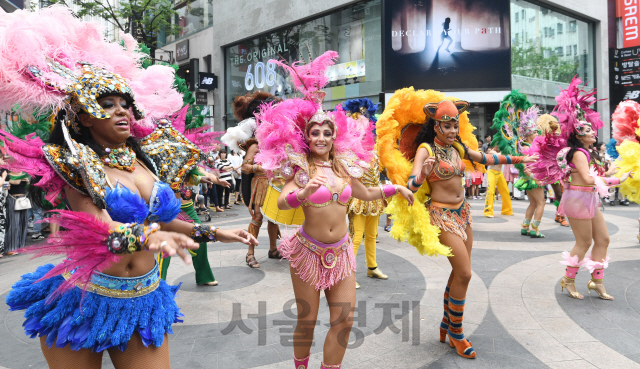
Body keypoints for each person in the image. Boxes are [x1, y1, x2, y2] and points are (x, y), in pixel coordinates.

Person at [0, 8, 257, 367]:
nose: (122, 111)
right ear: (84, 117)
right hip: (84, 297)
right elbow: (103, 230)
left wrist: (213, 232)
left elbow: (163, 222)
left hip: (144, 297)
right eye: (108, 105)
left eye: (125, 104)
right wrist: (149, 237)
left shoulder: (146, 160)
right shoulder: (78, 162)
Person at [255, 50, 414, 369]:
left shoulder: (345, 168)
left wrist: (395, 188)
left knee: (343, 322)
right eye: (315, 132)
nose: (322, 137)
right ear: (307, 136)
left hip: (341, 253)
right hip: (307, 252)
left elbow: (367, 192)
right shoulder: (299, 167)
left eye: (327, 132)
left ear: (334, 135)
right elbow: (285, 199)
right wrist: (303, 193)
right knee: (307, 321)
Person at [377, 89, 535, 359]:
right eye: (447, 125)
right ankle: (457, 332)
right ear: (435, 125)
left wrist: (520, 159)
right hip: (441, 215)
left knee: (458, 273)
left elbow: (486, 159)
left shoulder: (457, 147)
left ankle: (445, 325)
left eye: (454, 125)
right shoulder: (426, 149)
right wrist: (423, 173)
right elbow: (410, 186)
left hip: (463, 213)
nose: (452, 130)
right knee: (464, 274)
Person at [526, 77, 631, 301]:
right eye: (588, 130)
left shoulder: (588, 153)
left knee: (603, 240)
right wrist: (618, 180)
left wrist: (622, 169)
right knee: (584, 242)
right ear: (578, 135)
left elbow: (599, 175)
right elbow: (587, 178)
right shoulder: (579, 153)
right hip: (578, 199)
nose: (594, 132)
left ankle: (597, 281)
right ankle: (569, 280)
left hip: (589, 199)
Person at [222, 91, 282, 268]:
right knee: (257, 217)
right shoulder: (255, 145)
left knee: (273, 218)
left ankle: (273, 249)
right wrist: (261, 168)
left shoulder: (278, 146)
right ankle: (250, 253)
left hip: (274, 184)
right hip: (260, 184)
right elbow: (245, 167)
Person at [341, 98, 388, 289]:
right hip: (359, 199)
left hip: (375, 199)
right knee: (356, 236)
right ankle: (348, 274)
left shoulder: (375, 151)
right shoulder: (350, 152)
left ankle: (372, 267)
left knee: (372, 235)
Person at [515, 107, 546, 237]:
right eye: (535, 132)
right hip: (532, 178)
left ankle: (525, 226)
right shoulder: (526, 147)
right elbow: (522, 165)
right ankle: (534, 229)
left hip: (531, 178)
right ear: (529, 134)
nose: (537, 134)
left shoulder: (530, 146)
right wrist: (534, 177)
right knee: (541, 203)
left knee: (533, 203)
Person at [483, 147, 513, 218]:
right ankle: (488, 211)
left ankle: (507, 210)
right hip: (492, 172)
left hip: (500, 173)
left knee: (505, 191)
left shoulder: (503, 151)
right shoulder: (491, 151)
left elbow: (510, 156)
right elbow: (498, 155)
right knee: (490, 191)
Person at [5, 170, 30, 255]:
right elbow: (15, 182)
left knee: (23, 223)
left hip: (23, 198)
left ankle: (21, 246)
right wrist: (22, 177)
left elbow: (25, 186)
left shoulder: (22, 174)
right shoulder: (7, 174)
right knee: (13, 223)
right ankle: (11, 247)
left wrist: (27, 182)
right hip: (13, 199)